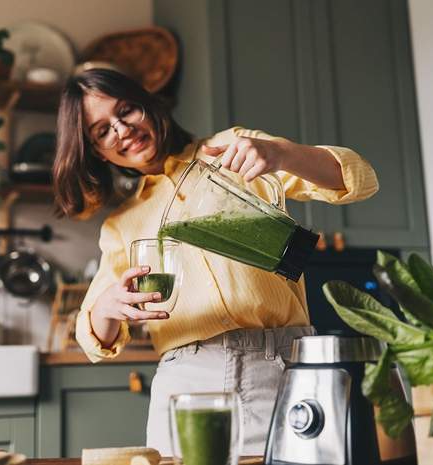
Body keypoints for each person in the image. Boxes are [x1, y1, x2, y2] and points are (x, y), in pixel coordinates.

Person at [52, 69, 379, 455]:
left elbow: (358, 179)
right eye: (102, 131)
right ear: (96, 151)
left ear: (148, 103)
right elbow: (97, 339)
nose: (121, 130)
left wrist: (282, 154)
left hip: (281, 367)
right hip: (186, 383)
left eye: (126, 111)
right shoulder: (122, 224)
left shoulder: (234, 149)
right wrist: (108, 306)